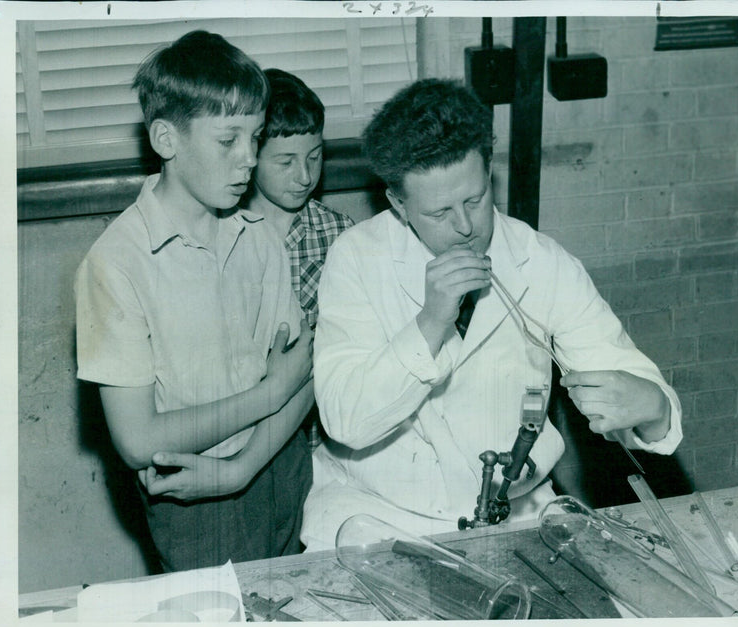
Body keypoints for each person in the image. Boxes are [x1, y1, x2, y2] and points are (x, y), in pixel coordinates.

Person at [301, 78, 683, 551]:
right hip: (378, 518)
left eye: (475, 200)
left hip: (515, 513)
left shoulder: (541, 262)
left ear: (489, 173)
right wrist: (430, 323)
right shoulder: (356, 259)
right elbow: (346, 421)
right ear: (398, 205)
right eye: (439, 213)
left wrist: (652, 408)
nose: (465, 227)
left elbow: (633, 381)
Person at [75, 31, 315, 572]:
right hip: (193, 497)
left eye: (255, 137)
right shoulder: (116, 264)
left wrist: (247, 461)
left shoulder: (259, 237)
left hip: (279, 464)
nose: (249, 159)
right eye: (228, 140)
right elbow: (139, 442)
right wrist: (269, 393)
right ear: (166, 138)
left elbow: (305, 374)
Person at [249, 68, 354, 447]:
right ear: (250, 155)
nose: (305, 176)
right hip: (243, 429)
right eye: (285, 162)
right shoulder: (226, 234)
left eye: (314, 156)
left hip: (321, 435)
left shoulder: (339, 234)